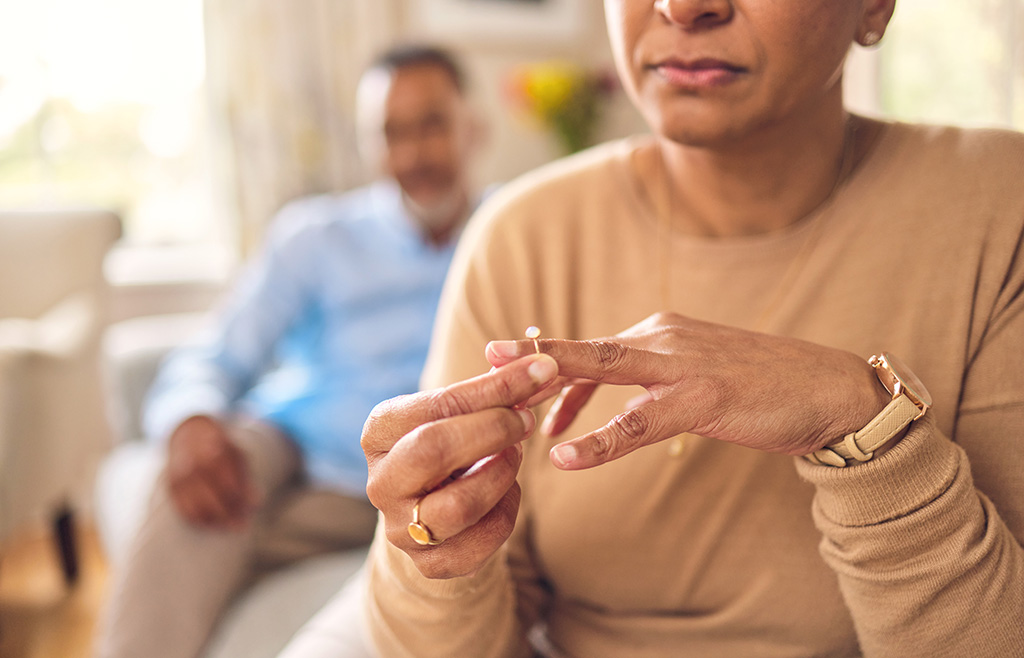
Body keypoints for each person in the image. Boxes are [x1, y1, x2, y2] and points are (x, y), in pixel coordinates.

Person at [355, 1, 1024, 657]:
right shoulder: (519, 236)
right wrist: (430, 545)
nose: (682, 7)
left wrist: (862, 420)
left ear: (875, 7)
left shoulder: (999, 206)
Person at [94, 44, 485, 658]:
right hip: (287, 453)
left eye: (431, 124)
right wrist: (191, 419)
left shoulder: (509, 235)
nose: (412, 153)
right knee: (200, 481)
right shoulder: (315, 237)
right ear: (368, 144)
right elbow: (214, 356)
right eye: (390, 133)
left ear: (472, 125)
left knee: (222, 534)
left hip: (406, 489)